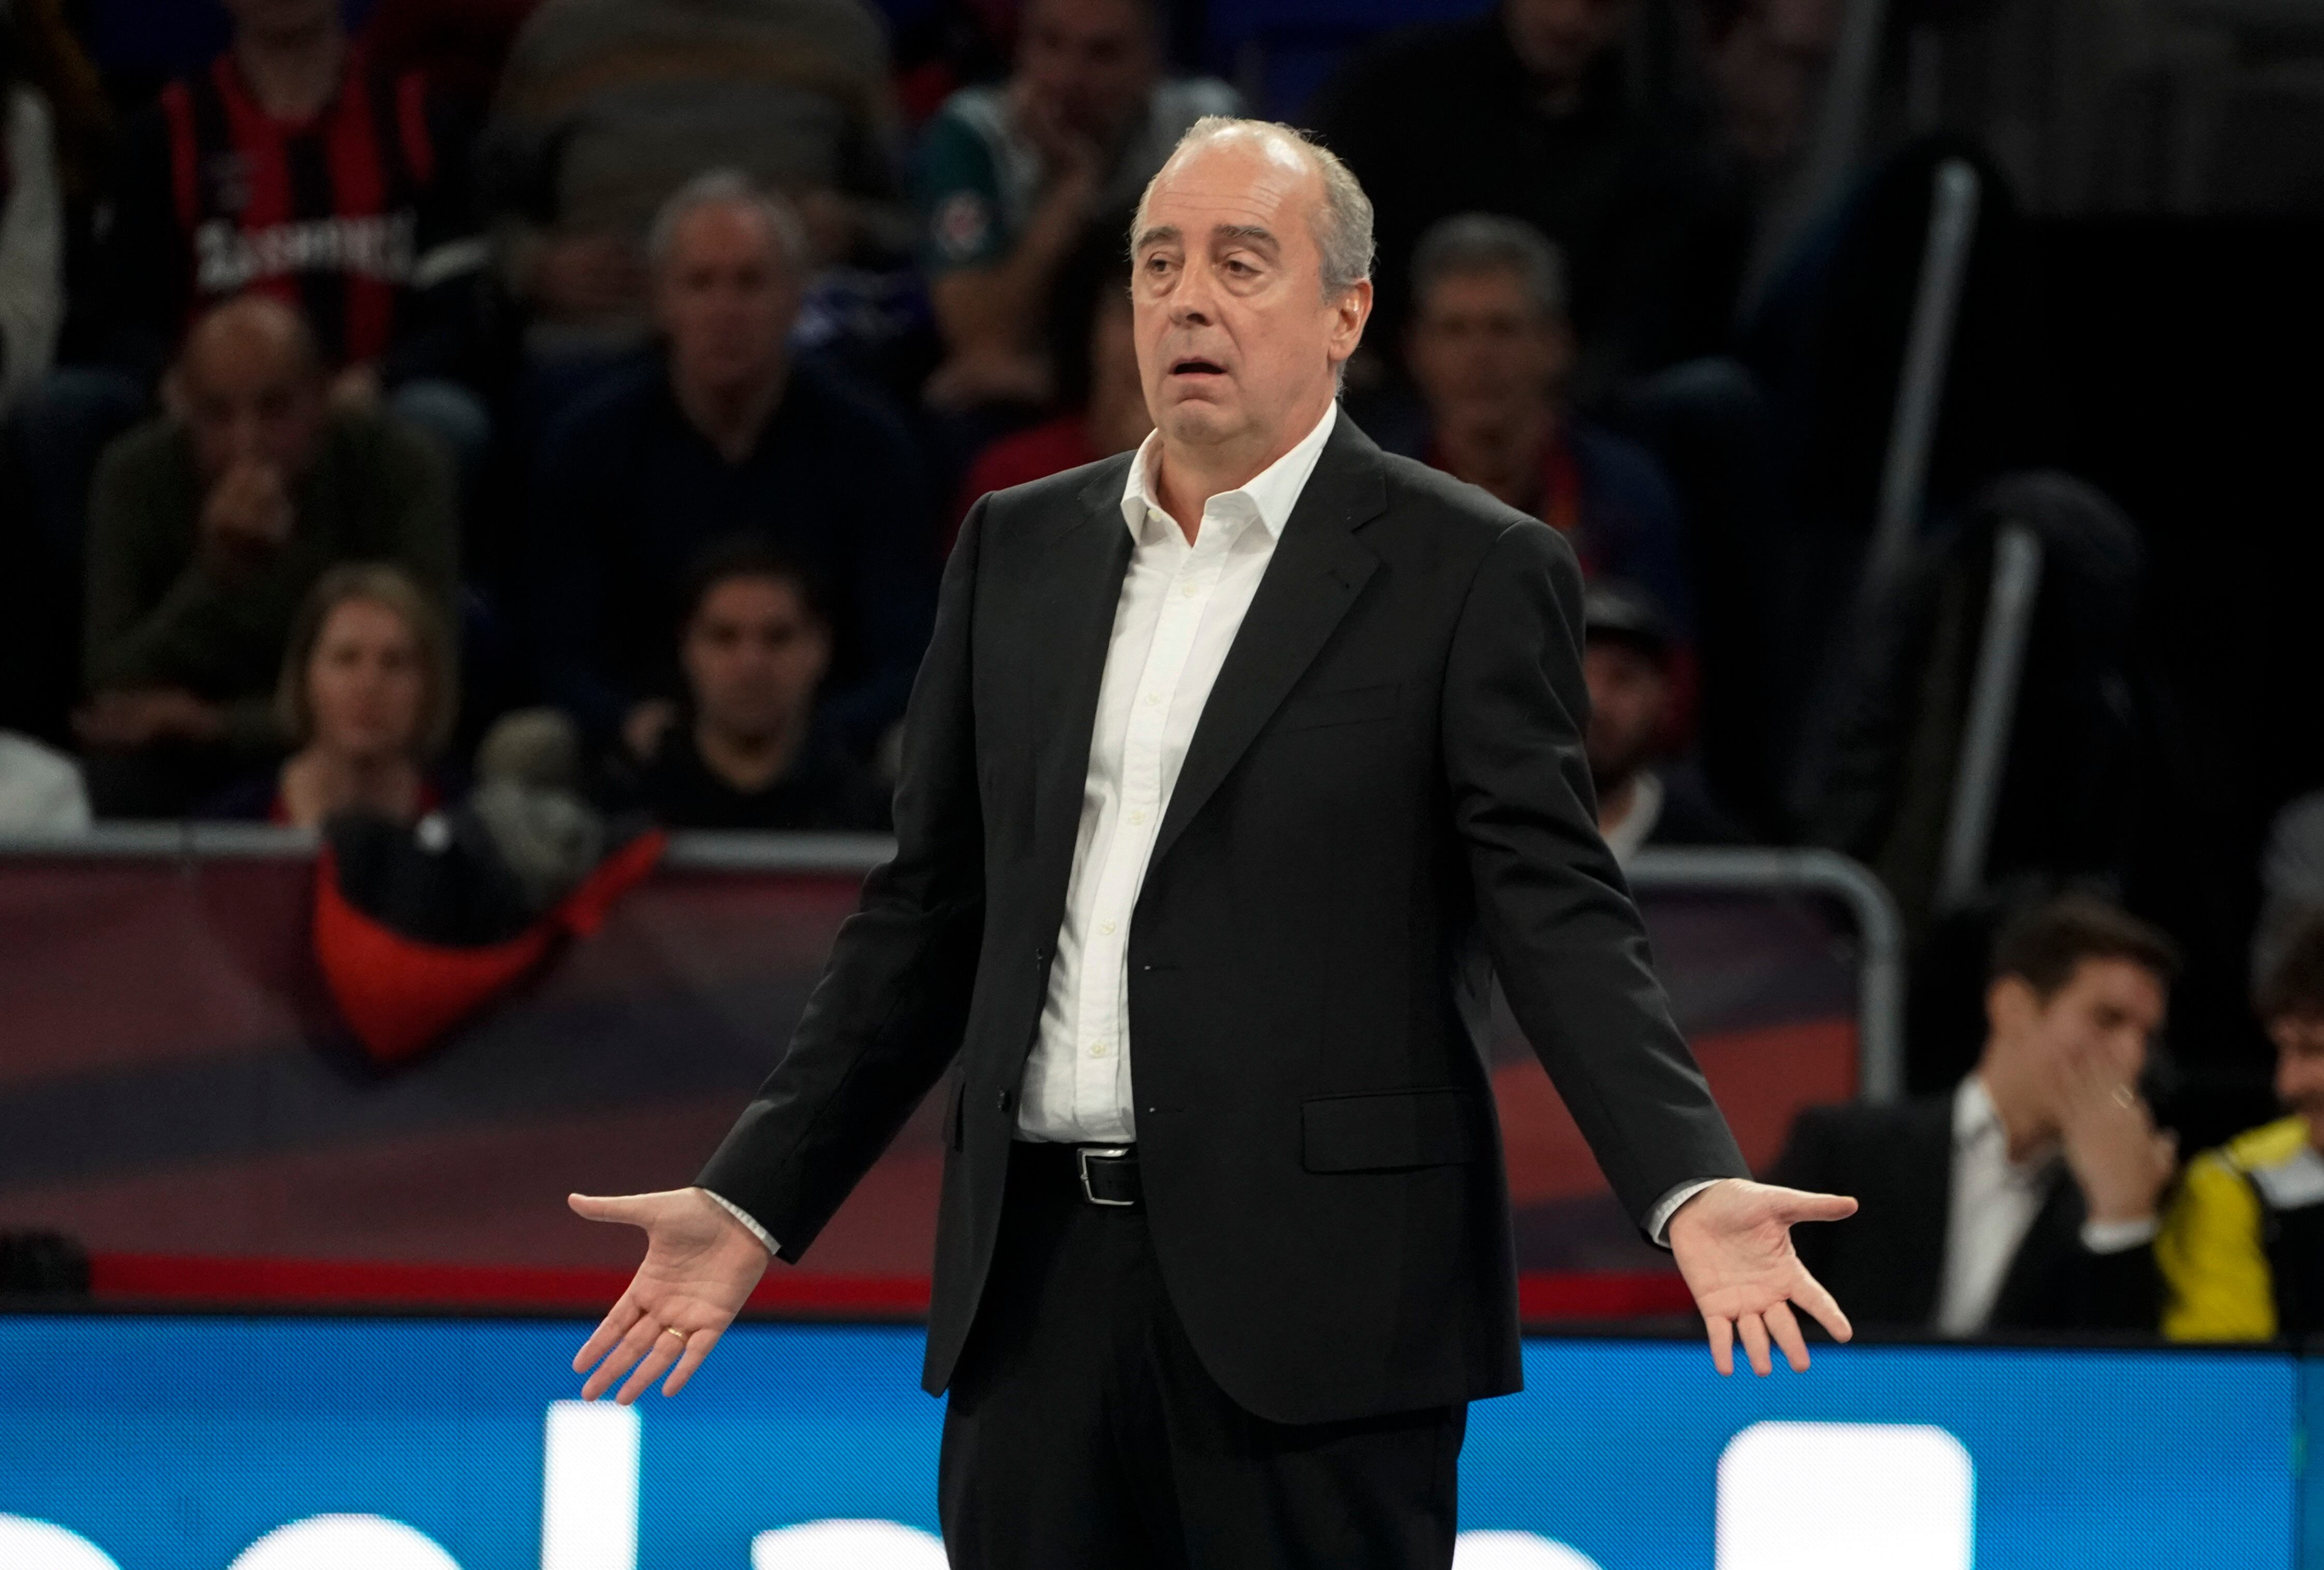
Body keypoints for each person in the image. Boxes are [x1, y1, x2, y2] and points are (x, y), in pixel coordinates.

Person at [567, 117, 1855, 1568]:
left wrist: (1683, 1179)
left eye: (1243, 263)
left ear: (1345, 313)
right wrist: (756, 1193)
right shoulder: (1015, 549)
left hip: (1326, 1305)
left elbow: (1555, 908)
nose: (1188, 300)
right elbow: (926, 915)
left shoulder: (1473, 568)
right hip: (1035, 1289)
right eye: (1158, 264)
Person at [523, 172, 934, 764]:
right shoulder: (589, 446)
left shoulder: (870, 446)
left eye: (750, 283)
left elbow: (906, 652)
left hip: (827, 744)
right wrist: (627, 720)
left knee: (914, 755)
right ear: (662, 301)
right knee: (529, 750)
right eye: (701, 284)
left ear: (796, 298)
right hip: (638, 743)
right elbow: (557, 650)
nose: (726, 310)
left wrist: (819, 731)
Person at [78, 295, 457, 817]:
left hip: (344, 732)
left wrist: (216, 723)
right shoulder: (134, 476)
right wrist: (217, 575)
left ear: (322, 396)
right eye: (216, 414)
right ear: (182, 406)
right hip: (188, 750)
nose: (247, 442)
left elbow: (429, 682)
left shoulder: (400, 468)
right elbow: (112, 683)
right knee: (119, 769)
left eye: (275, 409)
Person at [97, 0, 489, 469]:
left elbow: (462, 309)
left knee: (444, 418)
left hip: (376, 402)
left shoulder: (420, 119)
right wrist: (175, 381)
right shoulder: (164, 132)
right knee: (68, 410)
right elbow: (120, 312)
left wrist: (381, 380)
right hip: (208, 409)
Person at [1767, 893, 2181, 1336]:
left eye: (2147, 1037)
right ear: (2013, 1007)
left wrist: (2121, 1220)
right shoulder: (1847, 1152)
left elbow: (2124, 1391)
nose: (2133, 1059)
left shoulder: (2140, 1190)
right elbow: (1741, 1335)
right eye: (2107, 1020)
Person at [480, 0, 901, 422]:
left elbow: (914, 218)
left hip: (800, 343)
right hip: (602, 339)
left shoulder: (839, 29)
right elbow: (481, 216)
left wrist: (854, 225)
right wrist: (534, 265)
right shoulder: (562, 33)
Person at [1307, 0, 1733, 397]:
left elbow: (1655, 313)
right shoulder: (1395, 89)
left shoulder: (1655, 135)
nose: (1568, 18)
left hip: (1580, 409)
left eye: (1598, 3)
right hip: (1391, 388)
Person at [914, 0, 1234, 409]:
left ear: (1152, 62)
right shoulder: (976, 136)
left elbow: (1240, 317)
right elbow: (980, 342)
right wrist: (1070, 192)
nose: (1069, 78)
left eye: (1103, 54)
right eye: (1050, 44)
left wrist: (1055, 382)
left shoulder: (1204, 127)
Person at [1395, 212, 1693, 630]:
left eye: (1503, 329)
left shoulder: (1629, 498)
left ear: (1556, 346)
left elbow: (1669, 673)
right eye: (1454, 330)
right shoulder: (1366, 502)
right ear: (1417, 351)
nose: (1479, 356)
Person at [608, 539, 888, 832]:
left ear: (821, 647)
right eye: (724, 637)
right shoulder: (624, 810)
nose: (751, 665)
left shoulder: (875, 818)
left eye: (778, 637)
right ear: (687, 648)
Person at [2159, 914, 2324, 1341]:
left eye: (2313, 1050)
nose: (2289, 1085)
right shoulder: (2232, 1185)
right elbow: (2233, 1392)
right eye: (2283, 1051)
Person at [201, 563, 454, 826]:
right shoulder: (230, 828)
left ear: (428, 684)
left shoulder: (471, 832)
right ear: (304, 677)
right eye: (346, 659)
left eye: (394, 663)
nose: (369, 684)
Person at [946, 244, 1150, 547]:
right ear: (1090, 325)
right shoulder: (1015, 481)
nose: (1147, 339)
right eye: (1129, 311)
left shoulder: (1233, 481)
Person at [1584, 579, 1743, 864]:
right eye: (1577, 674)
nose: (1597, 702)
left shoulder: (1713, 851)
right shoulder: (1494, 834)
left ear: (1666, 695)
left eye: (1623, 678)